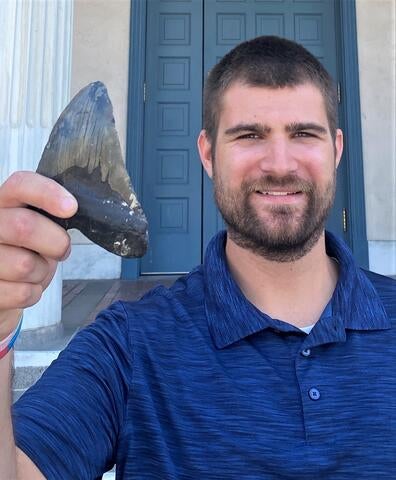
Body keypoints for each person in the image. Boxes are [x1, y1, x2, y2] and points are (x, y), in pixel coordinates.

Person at [0, 36, 395, 480]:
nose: (280, 164)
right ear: (208, 154)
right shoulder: (129, 345)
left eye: (304, 134)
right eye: (249, 135)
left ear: (336, 150)